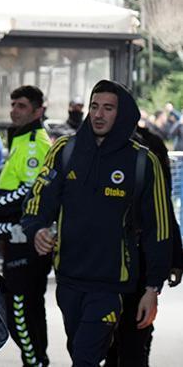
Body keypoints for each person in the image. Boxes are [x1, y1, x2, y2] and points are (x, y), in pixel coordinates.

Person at [23, 80, 172, 367]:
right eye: (94, 107)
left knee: (85, 358)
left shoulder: (142, 161)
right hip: (68, 279)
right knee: (79, 350)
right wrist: (37, 228)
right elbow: (37, 200)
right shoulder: (64, 150)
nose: (99, 115)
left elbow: (159, 229)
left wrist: (153, 288)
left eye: (108, 108)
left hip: (111, 285)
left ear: (123, 113)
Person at [103, 118, 183, 367]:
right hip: (103, 261)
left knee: (135, 338)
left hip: (141, 257)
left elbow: (162, 208)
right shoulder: (93, 145)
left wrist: (174, 257)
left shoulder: (151, 147)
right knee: (106, 341)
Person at [0, 86, 52, 367]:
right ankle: (37, 361)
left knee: (19, 310)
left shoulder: (35, 144)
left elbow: (29, 191)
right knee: (29, 308)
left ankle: (35, 362)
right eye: (13, 104)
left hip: (26, 241)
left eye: (21, 105)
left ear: (38, 111)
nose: (14, 111)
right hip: (15, 239)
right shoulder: (22, 139)